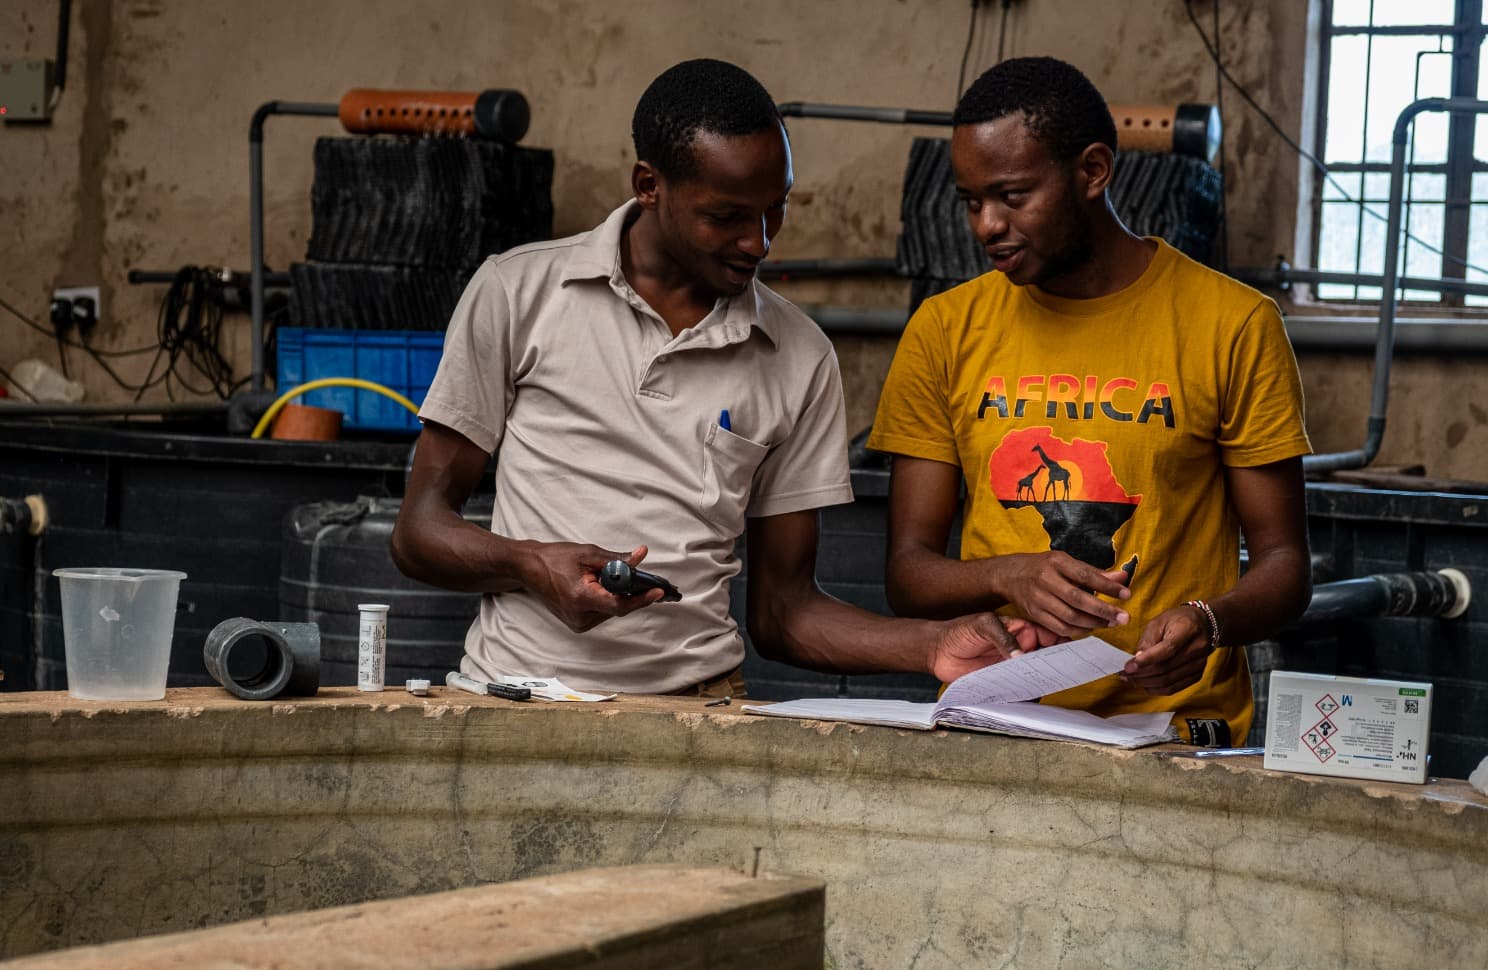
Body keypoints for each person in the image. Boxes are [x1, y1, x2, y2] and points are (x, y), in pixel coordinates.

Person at [391, 58, 1049, 698]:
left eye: (776, 209)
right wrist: (528, 565)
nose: (760, 241)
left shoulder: (798, 355)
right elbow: (418, 532)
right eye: (727, 215)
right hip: (514, 697)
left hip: (700, 709)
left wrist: (931, 647)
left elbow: (785, 613)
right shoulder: (517, 293)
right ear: (649, 185)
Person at [868, 56, 1312, 746]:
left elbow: (1286, 566)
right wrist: (1008, 574)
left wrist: (1208, 621)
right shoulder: (945, 330)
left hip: (1176, 738)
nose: (986, 225)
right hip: (998, 730)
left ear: (1093, 171)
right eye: (970, 201)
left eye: (1012, 196)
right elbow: (908, 574)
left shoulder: (1232, 324)